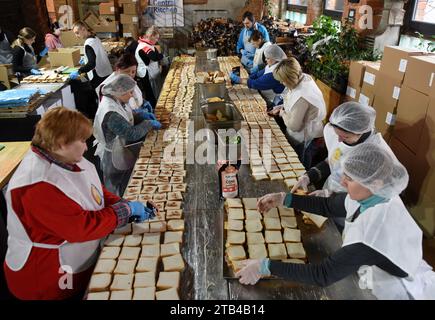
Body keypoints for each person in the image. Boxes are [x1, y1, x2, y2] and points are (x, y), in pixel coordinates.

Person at [236, 143, 435, 300]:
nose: (341, 182)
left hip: (394, 285)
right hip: (387, 260)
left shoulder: (373, 231)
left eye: (350, 179)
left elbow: (323, 274)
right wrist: (285, 199)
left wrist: (267, 266)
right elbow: (328, 206)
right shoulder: (376, 194)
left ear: (375, 183)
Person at [3, 107, 155, 300]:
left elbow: (95, 191)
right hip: (46, 276)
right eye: (82, 141)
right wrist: (124, 211)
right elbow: (82, 227)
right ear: (61, 143)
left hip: (76, 261)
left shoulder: (66, 157)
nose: (86, 147)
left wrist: (122, 203)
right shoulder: (37, 186)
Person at [291, 102, 395, 198]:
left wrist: (333, 196)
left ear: (360, 132)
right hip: (330, 190)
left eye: (345, 137)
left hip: (351, 205)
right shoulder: (339, 133)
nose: (339, 140)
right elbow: (332, 161)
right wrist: (309, 176)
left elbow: (370, 196)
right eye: (337, 134)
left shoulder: (376, 155)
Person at [94, 74, 162, 196]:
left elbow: (125, 116)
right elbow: (131, 133)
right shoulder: (110, 112)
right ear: (120, 91)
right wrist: (148, 123)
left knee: (125, 184)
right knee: (117, 189)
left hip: (121, 148)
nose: (132, 95)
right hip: (113, 157)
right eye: (130, 92)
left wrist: (140, 114)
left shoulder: (115, 99)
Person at [271, 58, 327, 169]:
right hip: (310, 131)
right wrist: (282, 106)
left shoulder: (303, 96)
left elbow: (294, 126)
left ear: (290, 78)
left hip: (306, 138)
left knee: (299, 168)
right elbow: (294, 102)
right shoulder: (303, 77)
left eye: (283, 80)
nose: (281, 83)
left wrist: (282, 113)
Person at [71, 21, 112, 89]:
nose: (76, 36)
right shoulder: (95, 38)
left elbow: (92, 64)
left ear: (83, 29)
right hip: (106, 71)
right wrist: (85, 58)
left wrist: (79, 71)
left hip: (99, 75)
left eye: (77, 33)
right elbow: (97, 54)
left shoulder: (89, 43)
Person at [135, 26, 164, 108]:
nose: (157, 40)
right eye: (156, 38)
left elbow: (157, 55)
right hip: (146, 74)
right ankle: (154, 111)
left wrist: (159, 55)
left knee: (156, 92)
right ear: (150, 36)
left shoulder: (149, 45)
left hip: (153, 72)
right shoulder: (143, 46)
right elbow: (155, 57)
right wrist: (160, 55)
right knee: (151, 95)